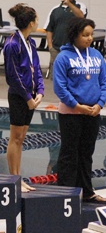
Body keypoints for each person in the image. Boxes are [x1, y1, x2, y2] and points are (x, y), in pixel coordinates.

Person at [53, 17, 106, 203]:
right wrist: (77, 106)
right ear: (75, 35)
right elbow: (60, 88)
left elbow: (104, 83)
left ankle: (87, 191)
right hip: (71, 113)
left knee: (86, 154)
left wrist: (100, 104)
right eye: (85, 35)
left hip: (93, 112)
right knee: (69, 153)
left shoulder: (97, 56)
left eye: (91, 34)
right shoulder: (63, 57)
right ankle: (66, 194)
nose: (89, 38)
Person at [3, 3, 44, 192]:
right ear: (30, 22)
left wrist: (41, 91)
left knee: (21, 138)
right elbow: (13, 76)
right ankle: (14, 178)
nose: (38, 22)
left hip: (32, 96)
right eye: (36, 19)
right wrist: (28, 97)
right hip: (20, 97)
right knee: (15, 138)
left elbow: (37, 70)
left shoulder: (30, 42)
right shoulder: (12, 44)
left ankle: (19, 177)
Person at [45, 0, 87, 79]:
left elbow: (81, 17)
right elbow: (49, 29)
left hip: (73, 49)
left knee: (73, 77)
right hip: (57, 49)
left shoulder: (80, 6)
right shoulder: (55, 10)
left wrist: (69, 4)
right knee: (57, 77)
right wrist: (50, 46)